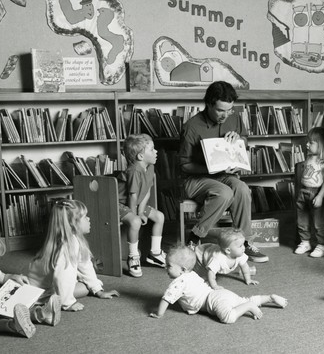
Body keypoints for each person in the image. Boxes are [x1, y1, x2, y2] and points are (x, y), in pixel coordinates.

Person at [179, 80, 268, 263]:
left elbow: (244, 142)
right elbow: (184, 165)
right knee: (225, 193)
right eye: (220, 110)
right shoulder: (191, 127)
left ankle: (243, 243)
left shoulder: (234, 118)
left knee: (242, 189)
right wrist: (211, 167)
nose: (225, 115)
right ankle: (195, 237)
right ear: (209, 104)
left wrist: (240, 139)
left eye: (229, 110)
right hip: (196, 179)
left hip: (225, 175)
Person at [0, 226, 60, 338]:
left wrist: (11, 277)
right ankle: (13, 326)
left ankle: (42, 314)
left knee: (14, 307)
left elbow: (2, 277)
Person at [149, 246, 287, 323]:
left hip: (212, 301)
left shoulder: (177, 283)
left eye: (169, 266)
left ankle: (249, 306)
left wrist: (159, 313)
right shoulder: (192, 273)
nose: (165, 268)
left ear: (183, 269)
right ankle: (269, 298)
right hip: (219, 294)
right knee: (243, 300)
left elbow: (166, 299)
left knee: (228, 317)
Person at [28, 199, 119, 312]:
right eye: (85, 217)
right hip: (37, 292)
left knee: (86, 284)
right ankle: (54, 299)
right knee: (84, 288)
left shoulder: (71, 239)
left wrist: (98, 290)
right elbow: (62, 276)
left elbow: (85, 265)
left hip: (37, 284)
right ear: (73, 223)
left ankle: (59, 295)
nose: (88, 219)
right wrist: (68, 303)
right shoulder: (68, 245)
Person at [116, 133, 166, 277]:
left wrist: (142, 210)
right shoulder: (134, 170)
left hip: (136, 203)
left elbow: (146, 192)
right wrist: (136, 215)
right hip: (120, 203)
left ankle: (155, 252)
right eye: (152, 150)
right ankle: (133, 256)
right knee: (136, 221)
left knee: (159, 216)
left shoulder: (150, 167)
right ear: (140, 156)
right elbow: (132, 196)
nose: (156, 152)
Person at [294, 127, 324, 258]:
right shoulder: (310, 156)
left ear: (322, 145)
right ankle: (305, 242)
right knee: (302, 219)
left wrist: (320, 196)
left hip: (317, 193)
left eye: (311, 142)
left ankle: (321, 245)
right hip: (303, 191)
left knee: (319, 222)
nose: (307, 144)